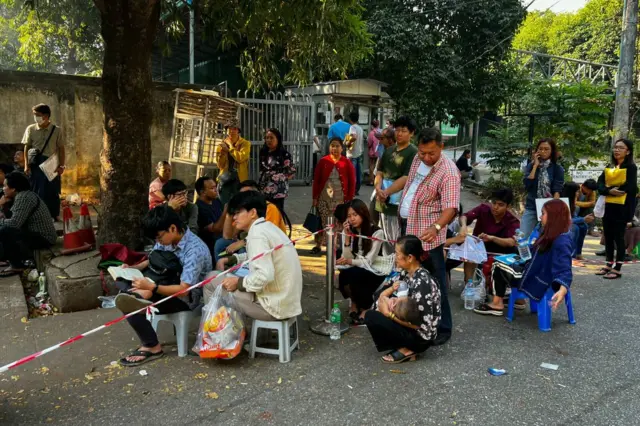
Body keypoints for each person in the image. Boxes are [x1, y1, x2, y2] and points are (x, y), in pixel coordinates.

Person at [115, 205, 212, 366]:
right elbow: (153, 259)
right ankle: (139, 297)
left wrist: (152, 288)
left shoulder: (194, 250)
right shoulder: (166, 239)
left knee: (130, 301)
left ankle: (151, 345)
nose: (158, 242)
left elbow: (183, 290)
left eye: (159, 238)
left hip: (185, 298)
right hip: (160, 281)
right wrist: (133, 269)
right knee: (123, 282)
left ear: (173, 228)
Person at [398, 127, 460, 345]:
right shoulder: (418, 158)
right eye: (422, 152)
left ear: (441, 147)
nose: (425, 157)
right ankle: (414, 320)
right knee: (410, 279)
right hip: (409, 229)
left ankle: (443, 328)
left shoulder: (449, 172)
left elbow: (451, 208)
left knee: (435, 282)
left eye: (431, 153)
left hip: (428, 236)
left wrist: (435, 227)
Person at [205, 191, 302, 323]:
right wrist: (233, 259)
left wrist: (238, 283)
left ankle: (218, 336)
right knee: (224, 279)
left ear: (252, 213)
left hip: (273, 307)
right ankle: (231, 332)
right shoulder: (267, 227)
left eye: (238, 212)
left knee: (210, 280)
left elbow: (264, 275)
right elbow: (258, 255)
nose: (234, 218)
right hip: (286, 302)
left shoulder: (257, 234)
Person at [474, 199, 572, 316]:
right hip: (537, 272)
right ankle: (517, 300)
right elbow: (533, 253)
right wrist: (521, 245)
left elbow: (565, 268)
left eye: (543, 213)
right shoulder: (551, 234)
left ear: (553, 216)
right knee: (508, 260)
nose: (540, 217)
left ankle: (497, 304)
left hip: (537, 278)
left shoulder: (561, 240)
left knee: (497, 265)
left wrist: (562, 289)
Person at [364, 235, 441, 364]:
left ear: (410, 258)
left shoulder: (422, 282)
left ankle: (408, 349)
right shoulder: (406, 273)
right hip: (408, 323)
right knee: (376, 305)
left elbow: (419, 325)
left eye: (397, 254)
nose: (395, 257)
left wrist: (388, 314)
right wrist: (384, 301)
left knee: (372, 316)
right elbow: (384, 294)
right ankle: (401, 344)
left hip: (420, 337)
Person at [337, 199, 387, 324]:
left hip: (374, 268)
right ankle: (354, 302)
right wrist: (347, 238)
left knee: (356, 273)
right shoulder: (348, 230)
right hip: (356, 266)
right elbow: (346, 256)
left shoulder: (377, 231)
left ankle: (366, 307)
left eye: (355, 215)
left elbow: (369, 261)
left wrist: (349, 261)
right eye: (349, 216)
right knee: (343, 275)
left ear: (363, 214)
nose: (352, 219)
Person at [215, 180, 287, 264]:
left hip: (270, 247)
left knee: (244, 248)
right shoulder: (243, 210)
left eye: (248, 194)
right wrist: (229, 212)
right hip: (248, 240)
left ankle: (241, 273)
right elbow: (228, 236)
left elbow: (266, 236)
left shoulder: (270, 208)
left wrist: (242, 243)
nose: (246, 198)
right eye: (242, 195)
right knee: (221, 243)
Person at [0, 172, 57, 276]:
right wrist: (4, 206)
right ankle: (9, 259)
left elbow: (14, 223)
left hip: (43, 238)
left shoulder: (24, 197)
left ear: (13, 188)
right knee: (4, 229)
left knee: (4, 231)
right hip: (36, 235)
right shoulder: (22, 195)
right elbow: (12, 217)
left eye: (5, 186)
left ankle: (17, 265)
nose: (3, 188)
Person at [375, 116, 418, 253]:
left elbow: (406, 178)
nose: (399, 133)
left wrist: (386, 192)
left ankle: (397, 269)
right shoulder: (388, 150)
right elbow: (380, 171)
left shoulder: (413, 153)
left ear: (411, 133)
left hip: (398, 201)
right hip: (382, 199)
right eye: (397, 130)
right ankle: (388, 267)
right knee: (384, 237)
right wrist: (378, 189)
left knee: (397, 239)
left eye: (403, 131)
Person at [596, 138, 637, 279]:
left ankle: (617, 268)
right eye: (615, 147)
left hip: (623, 208)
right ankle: (608, 264)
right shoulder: (610, 166)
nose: (617, 150)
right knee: (608, 236)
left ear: (628, 151)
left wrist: (614, 189)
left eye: (621, 148)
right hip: (608, 206)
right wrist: (608, 191)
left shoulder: (631, 167)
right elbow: (599, 183)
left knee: (618, 237)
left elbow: (631, 186)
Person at [458, 189, 519, 281]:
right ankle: (468, 285)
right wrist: (463, 226)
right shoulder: (483, 209)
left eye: (500, 205)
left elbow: (511, 242)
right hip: (479, 246)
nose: (495, 207)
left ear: (508, 206)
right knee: (470, 253)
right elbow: (464, 216)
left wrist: (492, 238)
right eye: (494, 203)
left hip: (500, 252)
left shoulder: (512, 220)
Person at [310, 137, 356, 255]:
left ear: (342, 148)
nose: (334, 148)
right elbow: (316, 180)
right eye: (332, 146)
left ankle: (335, 246)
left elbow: (352, 182)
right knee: (322, 222)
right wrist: (315, 198)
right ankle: (319, 244)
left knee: (338, 223)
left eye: (337, 146)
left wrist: (349, 200)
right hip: (324, 199)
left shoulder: (346, 162)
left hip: (340, 199)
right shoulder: (323, 161)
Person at [22, 103, 66, 220]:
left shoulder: (56, 130)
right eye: (34, 115)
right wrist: (26, 165)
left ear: (46, 116)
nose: (35, 117)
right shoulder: (30, 129)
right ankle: (38, 215)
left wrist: (62, 166)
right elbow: (26, 148)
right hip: (36, 163)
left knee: (53, 190)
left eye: (37, 115)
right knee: (37, 190)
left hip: (52, 163)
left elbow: (61, 149)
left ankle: (54, 214)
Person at [521, 138, 564, 237]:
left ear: (552, 151)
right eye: (540, 149)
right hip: (532, 205)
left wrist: (554, 209)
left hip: (548, 207)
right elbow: (527, 185)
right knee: (522, 236)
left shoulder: (557, 169)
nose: (543, 151)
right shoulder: (531, 166)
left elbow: (557, 190)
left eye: (546, 149)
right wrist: (535, 166)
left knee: (546, 238)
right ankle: (523, 253)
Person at [258, 128, 296, 211]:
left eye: (271, 138)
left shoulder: (284, 154)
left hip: (278, 191)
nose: (269, 140)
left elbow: (291, 172)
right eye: (267, 138)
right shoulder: (263, 152)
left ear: (278, 139)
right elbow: (261, 169)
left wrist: (278, 179)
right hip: (264, 188)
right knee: (265, 213)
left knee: (277, 213)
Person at [561, 182, 594, 264]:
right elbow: (566, 221)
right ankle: (570, 255)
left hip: (568, 222)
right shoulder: (562, 203)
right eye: (577, 192)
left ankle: (578, 253)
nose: (578, 193)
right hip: (558, 225)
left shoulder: (573, 204)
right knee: (575, 228)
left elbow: (573, 217)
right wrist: (583, 219)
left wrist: (584, 219)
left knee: (583, 226)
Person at [195, 176, 226, 257]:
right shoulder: (198, 208)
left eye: (216, 187)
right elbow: (216, 229)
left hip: (223, 240)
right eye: (212, 188)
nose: (216, 190)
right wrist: (226, 211)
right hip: (210, 247)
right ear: (203, 192)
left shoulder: (216, 201)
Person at [216, 118, 251, 183]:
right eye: (229, 128)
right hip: (225, 178)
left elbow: (241, 158)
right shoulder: (222, 144)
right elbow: (220, 165)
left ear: (238, 131)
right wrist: (223, 153)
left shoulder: (245, 144)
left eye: (234, 128)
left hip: (240, 179)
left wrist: (230, 147)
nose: (232, 131)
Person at [345, 111, 364, 195]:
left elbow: (354, 137)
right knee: (359, 173)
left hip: (352, 154)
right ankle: (357, 190)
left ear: (350, 119)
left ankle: (351, 190)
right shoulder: (360, 128)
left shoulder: (352, 127)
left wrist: (348, 142)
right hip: (359, 152)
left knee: (352, 173)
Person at [367, 119, 381, 185]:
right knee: (377, 166)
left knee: (371, 166)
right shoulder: (381, 132)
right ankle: (377, 180)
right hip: (379, 152)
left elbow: (369, 143)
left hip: (372, 152)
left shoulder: (372, 133)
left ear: (372, 125)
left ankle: (371, 181)